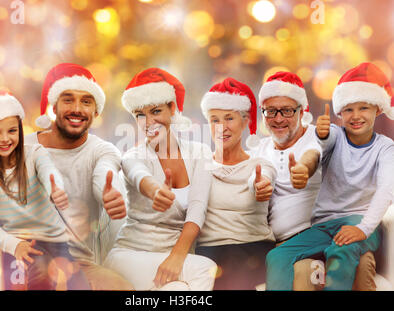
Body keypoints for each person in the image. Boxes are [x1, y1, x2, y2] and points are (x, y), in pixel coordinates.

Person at [0, 63, 133, 290]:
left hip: (77, 259)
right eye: (68, 99)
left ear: (96, 110)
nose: (77, 108)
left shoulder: (102, 151)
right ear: (53, 105)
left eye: (86, 101)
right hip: (27, 249)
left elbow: (104, 173)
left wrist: (108, 192)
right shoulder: (16, 145)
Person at [265, 62, 394, 290]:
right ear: (340, 113)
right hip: (324, 225)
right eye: (348, 109)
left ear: (378, 109)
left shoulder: (386, 149)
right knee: (277, 257)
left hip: (362, 223)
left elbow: (386, 191)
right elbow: (316, 151)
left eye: (363, 108)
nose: (355, 116)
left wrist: (363, 229)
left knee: (340, 252)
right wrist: (304, 169)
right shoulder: (334, 134)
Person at [0, 91, 89, 290]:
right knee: (39, 274)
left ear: (20, 129)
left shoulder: (35, 153)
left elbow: (48, 172)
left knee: (81, 282)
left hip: (56, 238)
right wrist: (15, 246)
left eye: (12, 130)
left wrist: (56, 188)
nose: (5, 139)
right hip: (18, 241)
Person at [103, 68, 217, 290]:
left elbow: (197, 209)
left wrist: (176, 257)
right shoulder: (132, 157)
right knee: (205, 268)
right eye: (140, 115)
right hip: (130, 256)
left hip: (171, 259)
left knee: (179, 290)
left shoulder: (200, 153)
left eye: (156, 111)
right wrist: (156, 190)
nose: (149, 122)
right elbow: (140, 177)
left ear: (172, 108)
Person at [194, 77, 277, 289]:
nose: (221, 127)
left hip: (253, 247)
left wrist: (259, 186)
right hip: (210, 250)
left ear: (245, 120)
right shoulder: (199, 166)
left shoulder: (260, 165)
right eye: (214, 120)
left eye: (229, 118)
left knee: (233, 261)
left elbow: (260, 180)